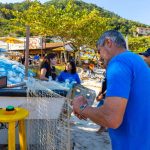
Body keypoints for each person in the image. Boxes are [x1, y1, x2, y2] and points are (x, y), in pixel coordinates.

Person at [72, 30, 150, 150]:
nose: (100, 57)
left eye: (99, 51)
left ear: (108, 42)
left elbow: (111, 118)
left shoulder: (119, 62)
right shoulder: (137, 60)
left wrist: (82, 107)